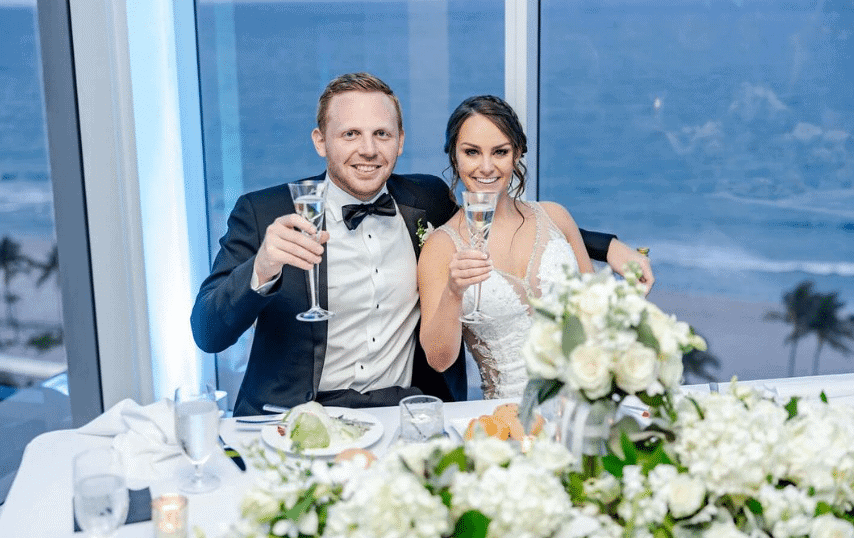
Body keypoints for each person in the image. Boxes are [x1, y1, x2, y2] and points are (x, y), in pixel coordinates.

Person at [191, 73, 650, 416]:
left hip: (406, 412)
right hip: (296, 418)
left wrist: (605, 245)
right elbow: (207, 332)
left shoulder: (425, 200)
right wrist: (262, 268)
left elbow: (505, 211)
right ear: (320, 141)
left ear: (400, 141)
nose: (368, 149)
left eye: (381, 134)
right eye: (350, 133)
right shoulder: (264, 212)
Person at [418, 95, 648, 399]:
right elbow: (438, 359)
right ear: (455, 158)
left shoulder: (556, 217)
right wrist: (453, 292)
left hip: (586, 401)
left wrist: (627, 299)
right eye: (471, 152)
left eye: (500, 152)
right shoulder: (440, 247)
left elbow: (598, 319)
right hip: (508, 417)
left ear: (517, 154)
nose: (486, 167)